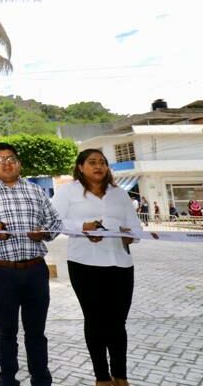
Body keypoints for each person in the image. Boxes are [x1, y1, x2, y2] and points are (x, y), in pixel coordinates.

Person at [0, 142, 62, 386]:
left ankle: (41, 379)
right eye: (0, 159)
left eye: (12, 159)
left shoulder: (36, 191)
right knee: (6, 331)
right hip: (2, 271)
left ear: (19, 164)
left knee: (36, 331)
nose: (7, 163)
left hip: (35, 270)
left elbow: (56, 223)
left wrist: (44, 233)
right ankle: (7, 379)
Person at [51, 149, 142, 386]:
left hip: (121, 264)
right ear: (80, 167)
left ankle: (120, 376)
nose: (98, 166)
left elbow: (136, 227)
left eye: (102, 162)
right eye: (92, 162)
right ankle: (102, 377)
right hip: (85, 264)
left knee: (118, 322)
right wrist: (83, 227)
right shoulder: (67, 192)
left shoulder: (119, 194)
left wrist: (129, 235)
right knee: (95, 321)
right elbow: (53, 222)